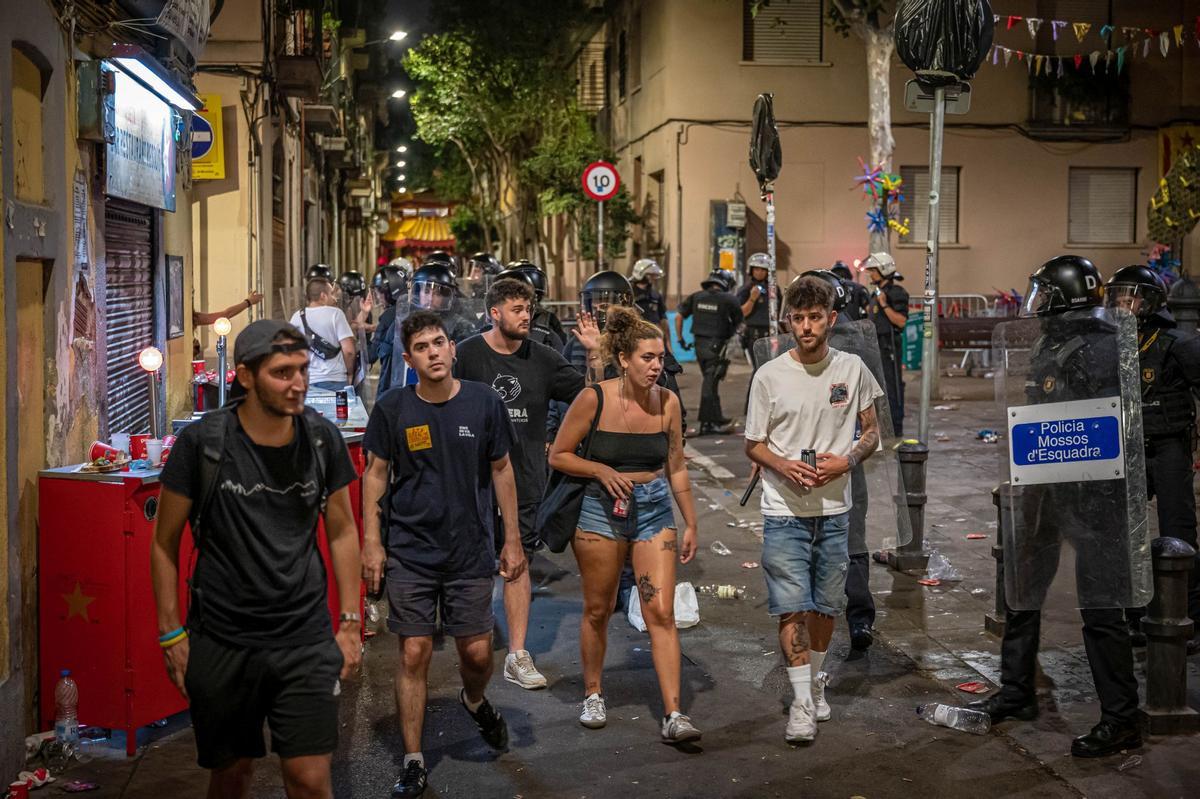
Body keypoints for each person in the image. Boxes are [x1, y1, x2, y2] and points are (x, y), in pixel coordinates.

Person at [150, 320, 362, 798]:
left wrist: (349, 622)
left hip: (302, 638)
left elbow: (343, 530)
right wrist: (171, 635)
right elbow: (164, 543)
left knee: (310, 780)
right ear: (244, 376)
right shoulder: (203, 444)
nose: (299, 384)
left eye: (303, 370)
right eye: (282, 372)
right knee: (232, 774)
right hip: (223, 639)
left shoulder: (322, 439)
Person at [970, 255, 1142, 758]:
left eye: (1043, 293)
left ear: (1064, 295)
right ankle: (1017, 690)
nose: (1036, 303)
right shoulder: (1051, 339)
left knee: (1101, 606)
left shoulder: (1106, 347)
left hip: (1094, 496)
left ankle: (1121, 718)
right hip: (1045, 487)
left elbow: (1109, 422)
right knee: (1021, 594)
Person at [361, 310, 526, 797]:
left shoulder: (483, 403)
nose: (433, 352)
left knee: (475, 652)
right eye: (422, 347)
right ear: (409, 359)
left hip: (470, 549)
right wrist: (373, 542)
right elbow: (374, 473)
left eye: (439, 343)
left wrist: (511, 539)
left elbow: (502, 470)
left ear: (452, 349)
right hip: (410, 551)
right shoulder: (393, 408)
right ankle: (413, 759)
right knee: (414, 650)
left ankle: (474, 701)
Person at [548, 306, 702, 743]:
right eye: (647, 358)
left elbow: (676, 468)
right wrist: (599, 470)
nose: (656, 367)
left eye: (660, 358)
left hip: (654, 508)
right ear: (624, 360)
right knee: (598, 608)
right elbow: (559, 454)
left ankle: (675, 714)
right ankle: (593, 692)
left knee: (662, 612)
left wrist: (690, 522)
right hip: (599, 508)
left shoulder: (669, 402)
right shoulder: (594, 398)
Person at [744, 276, 884, 743]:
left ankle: (815, 682)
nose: (806, 327)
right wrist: (783, 466)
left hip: (835, 509)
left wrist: (847, 459)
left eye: (814, 318)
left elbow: (872, 431)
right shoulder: (769, 376)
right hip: (783, 509)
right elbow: (754, 444)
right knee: (791, 607)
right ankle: (801, 702)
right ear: (788, 321)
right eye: (798, 318)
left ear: (831, 318)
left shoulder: (854, 369)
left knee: (826, 607)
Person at [453, 278, 599, 690]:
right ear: (494, 313)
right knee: (478, 567)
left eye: (529, 309)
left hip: (527, 480)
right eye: (517, 309)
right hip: (476, 481)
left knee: (518, 563)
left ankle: (517, 653)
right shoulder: (466, 355)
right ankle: (476, 642)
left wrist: (596, 356)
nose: (526, 316)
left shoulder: (545, 358)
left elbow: (590, 399)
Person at [1106, 265, 1200, 653]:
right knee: (1128, 532)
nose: (1121, 304)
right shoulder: (1113, 342)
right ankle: (1135, 616)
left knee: (1178, 531)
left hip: (1170, 448)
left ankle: (1188, 615)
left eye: (1129, 296)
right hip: (1128, 450)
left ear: (1151, 300)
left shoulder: (1178, 342)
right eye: (1116, 297)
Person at [800, 270, 877, 652]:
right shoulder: (798, 343)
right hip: (811, 460)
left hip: (841, 459)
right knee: (846, 540)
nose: (806, 324)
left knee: (848, 540)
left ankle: (856, 617)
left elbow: (873, 419)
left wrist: (850, 457)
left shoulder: (855, 350)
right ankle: (849, 618)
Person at [676, 269, 743, 435]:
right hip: (717, 347)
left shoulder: (696, 297)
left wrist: (680, 339)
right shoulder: (729, 299)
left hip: (699, 346)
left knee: (710, 381)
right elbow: (740, 322)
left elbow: (679, 317)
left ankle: (715, 418)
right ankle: (707, 423)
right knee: (710, 382)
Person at [865, 252, 909, 435]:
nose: (870, 274)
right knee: (876, 388)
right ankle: (880, 427)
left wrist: (884, 305)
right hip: (874, 347)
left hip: (888, 345)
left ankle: (895, 427)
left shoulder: (896, 292)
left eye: (873, 270)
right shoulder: (876, 293)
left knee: (892, 387)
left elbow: (901, 321)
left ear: (884, 270)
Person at [290, 278, 356, 392]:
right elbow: (349, 351)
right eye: (331, 294)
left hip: (307, 381)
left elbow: (291, 351)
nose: (334, 298)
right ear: (323, 296)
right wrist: (350, 373)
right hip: (335, 380)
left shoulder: (296, 317)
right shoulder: (336, 314)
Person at [493, 265, 565, 350]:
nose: (525, 317)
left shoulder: (547, 335)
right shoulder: (481, 337)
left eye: (526, 309)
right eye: (516, 310)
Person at [368, 265, 407, 398]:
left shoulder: (388, 317)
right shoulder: (409, 309)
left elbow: (371, 355)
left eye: (379, 291)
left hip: (391, 384)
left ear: (390, 291)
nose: (378, 296)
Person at [193, 291, 265, 359]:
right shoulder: (191, 317)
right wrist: (249, 302)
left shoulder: (191, 317)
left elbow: (226, 314)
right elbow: (226, 314)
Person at [737, 252, 779, 359]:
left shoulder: (774, 289)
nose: (760, 272)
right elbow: (741, 313)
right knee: (759, 367)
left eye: (763, 269)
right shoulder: (746, 289)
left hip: (772, 334)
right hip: (753, 334)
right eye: (756, 269)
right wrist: (752, 298)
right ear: (751, 270)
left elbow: (780, 311)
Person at [631, 258, 671, 349]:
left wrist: (668, 343)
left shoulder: (655, 295)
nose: (654, 278)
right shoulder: (628, 294)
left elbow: (663, 320)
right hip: (635, 341)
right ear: (641, 274)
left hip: (654, 339)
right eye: (651, 275)